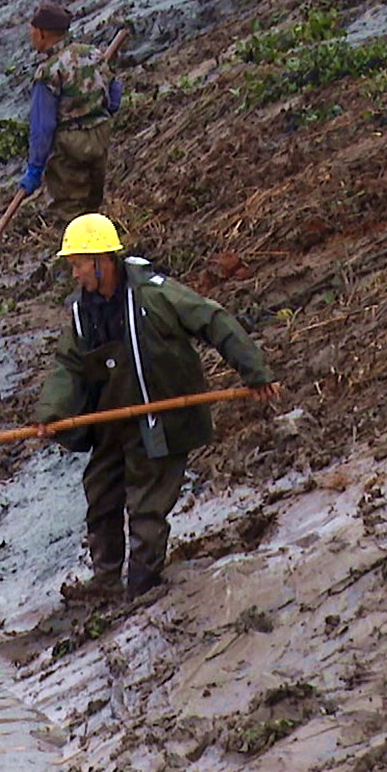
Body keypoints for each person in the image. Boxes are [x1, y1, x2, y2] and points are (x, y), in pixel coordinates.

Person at [36, 213, 282, 602]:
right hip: (112, 423)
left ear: (102, 261)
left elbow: (213, 320)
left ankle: (142, 589)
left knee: (147, 508)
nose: (75, 275)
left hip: (159, 418)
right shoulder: (84, 312)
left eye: (78, 265)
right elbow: (69, 365)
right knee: (100, 496)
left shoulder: (154, 295)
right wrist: (52, 413)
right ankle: (105, 582)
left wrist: (255, 372)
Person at [19, 0, 122, 223]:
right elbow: (115, 88)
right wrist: (105, 112)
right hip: (100, 137)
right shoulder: (92, 54)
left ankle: (76, 256)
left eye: (32, 31)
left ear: (43, 34)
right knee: (93, 206)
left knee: (69, 214)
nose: (31, 35)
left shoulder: (48, 72)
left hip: (70, 148)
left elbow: (42, 127)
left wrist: (35, 168)